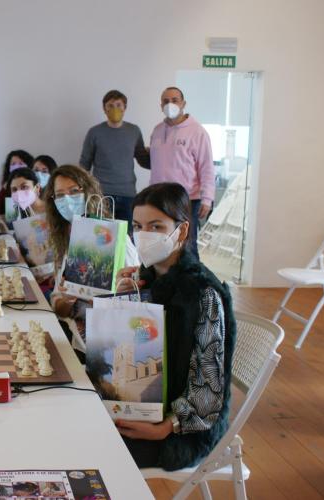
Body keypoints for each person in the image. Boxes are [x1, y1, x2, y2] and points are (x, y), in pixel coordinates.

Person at [115, 182, 235, 471]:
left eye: (156, 227)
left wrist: (164, 428)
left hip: (184, 430)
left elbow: (207, 390)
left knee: (90, 448)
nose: (144, 235)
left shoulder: (202, 292)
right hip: (142, 407)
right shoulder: (145, 281)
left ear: (181, 231)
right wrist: (123, 302)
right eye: (138, 226)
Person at [44, 165, 139, 357]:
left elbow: (134, 304)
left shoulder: (117, 240)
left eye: (74, 191)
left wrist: (100, 298)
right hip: (77, 338)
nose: (67, 200)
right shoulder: (68, 241)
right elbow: (59, 308)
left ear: (88, 192)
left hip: (114, 343)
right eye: (60, 195)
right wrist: (68, 299)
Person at [148, 87, 215, 258]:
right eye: (165, 101)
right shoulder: (157, 130)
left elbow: (207, 167)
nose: (170, 104)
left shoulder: (197, 132)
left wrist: (207, 199)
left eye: (174, 100)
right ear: (160, 105)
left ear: (183, 103)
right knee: (161, 245)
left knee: (187, 246)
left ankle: (193, 276)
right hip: (159, 199)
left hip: (187, 200)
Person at [80, 90, 149, 233]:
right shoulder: (94, 132)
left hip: (128, 195)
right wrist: (83, 191)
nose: (115, 109)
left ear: (125, 107)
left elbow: (142, 158)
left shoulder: (134, 131)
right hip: (101, 194)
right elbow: (84, 164)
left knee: (127, 238)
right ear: (104, 109)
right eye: (110, 105)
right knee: (99, 238)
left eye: (118, 105)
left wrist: (160, 155)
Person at [7, 168, 55, 298]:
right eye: (14, 190)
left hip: (54, 279)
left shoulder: (53, 211)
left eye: (24, 187)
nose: (19, 193)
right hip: (30, 275)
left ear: (37, 188)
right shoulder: (16, 212)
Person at [0, 149, 34, 215]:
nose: (17, 167)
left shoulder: (33, 185)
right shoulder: (9, 185)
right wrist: (4, 188)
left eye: (20, 163)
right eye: (13, 164)